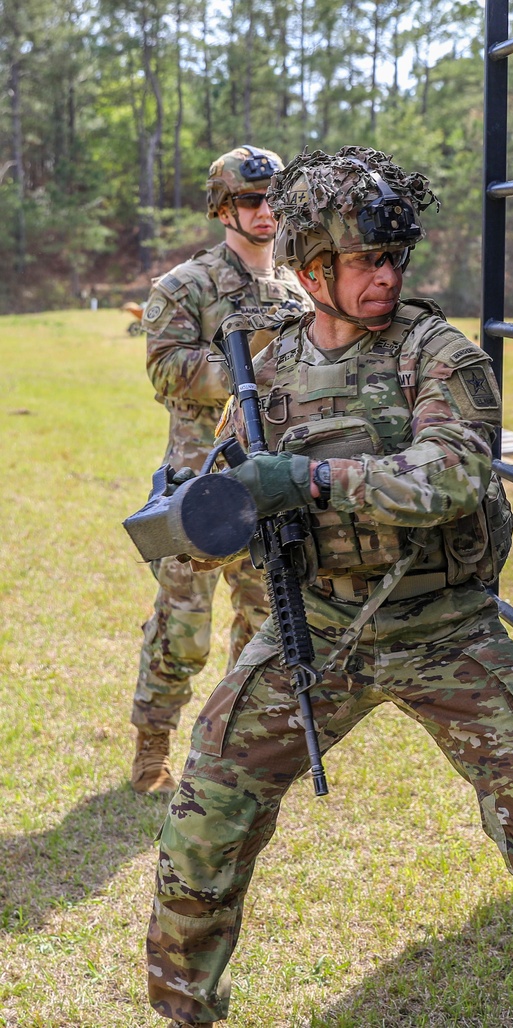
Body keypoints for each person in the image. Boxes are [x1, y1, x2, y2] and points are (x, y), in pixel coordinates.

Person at [145, 146, 513, 1028]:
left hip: (445, 632)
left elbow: (452, 474)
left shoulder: (437, 352)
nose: (386, 276)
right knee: (204, 824)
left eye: (394, 257)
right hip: (315, 629)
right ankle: (182, 1011)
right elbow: (219, 500)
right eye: (366, 260)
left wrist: (315, 482)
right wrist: (210, 521)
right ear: (311, 266)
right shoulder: (263, 369)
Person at [131, 145, 311, 795]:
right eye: (251, 201)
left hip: (270, 479)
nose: (266, 213)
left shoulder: (297, 285)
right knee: (183, 629)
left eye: (275, 202)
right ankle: (152, 741)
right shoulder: (186, 286)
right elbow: (165, 367)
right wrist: (247, 382)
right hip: (198, 481)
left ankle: (234, 751)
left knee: (265, 626)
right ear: (221, 209)